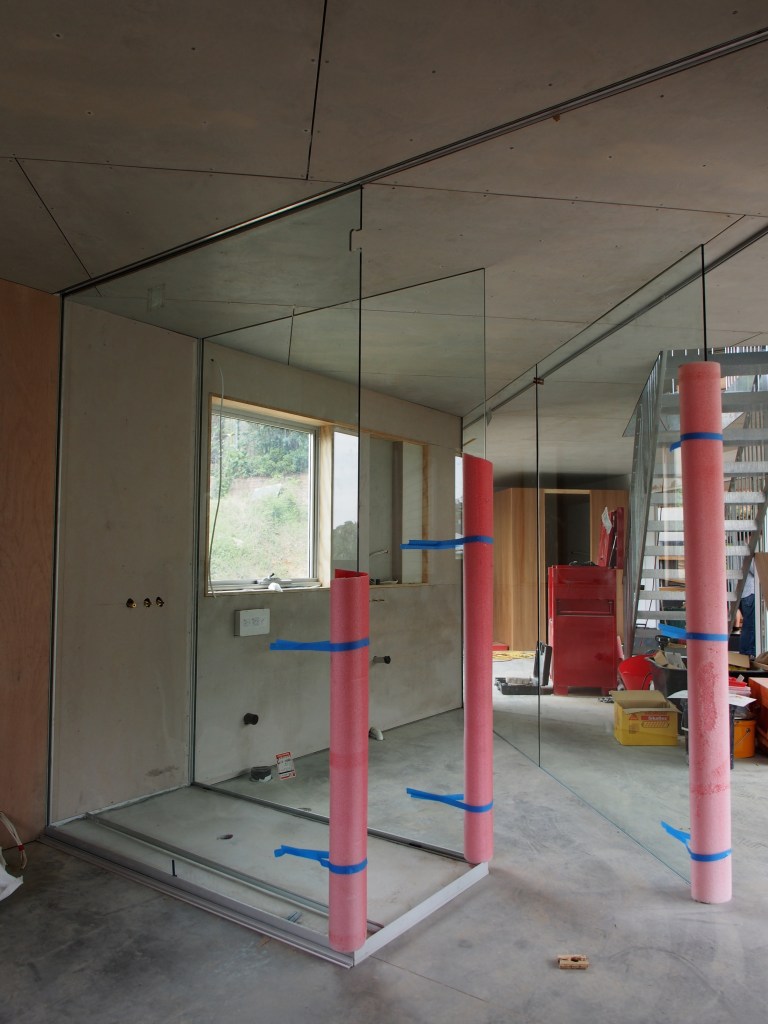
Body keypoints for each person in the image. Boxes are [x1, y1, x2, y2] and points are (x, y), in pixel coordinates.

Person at [739, 561, 756, 658]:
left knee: (749, 625)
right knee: (750, 626)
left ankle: (747, 652)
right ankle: (747, 653)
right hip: (750, 592)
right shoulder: (748, 551)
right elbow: (755, 570)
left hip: (745, 593)